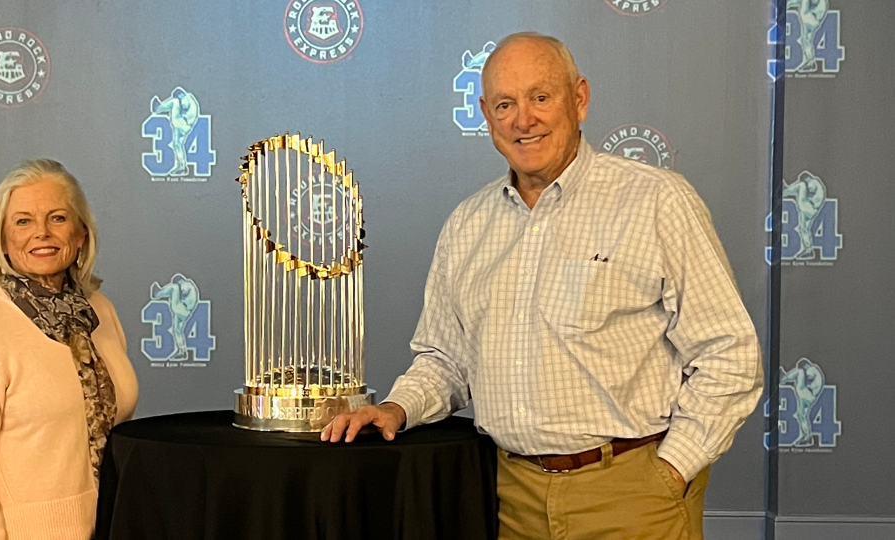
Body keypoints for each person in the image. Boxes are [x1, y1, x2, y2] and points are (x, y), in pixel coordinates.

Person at [322, 32, 763, 540]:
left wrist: (670, 469)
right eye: (505, 104)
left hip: (633, 497)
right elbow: (446, 359)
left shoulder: (656, 201)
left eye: (540, 97)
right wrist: (397, 407)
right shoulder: (468, 225)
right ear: (486, 114)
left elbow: (729, 352)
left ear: (579, 99)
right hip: (510, 499)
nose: (523, 120)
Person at [0, 159, 139, 540]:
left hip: (116, 523)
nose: (43, 234)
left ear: (81, 233)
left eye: (58, 218)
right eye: (23, 221)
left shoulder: (100, 311)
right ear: (1, 240)